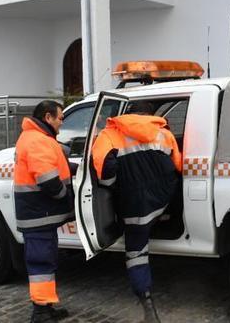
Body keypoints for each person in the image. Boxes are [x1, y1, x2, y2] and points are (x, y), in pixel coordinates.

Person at [91, 100, 182, 323]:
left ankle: (147, 302)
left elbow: (105, 170)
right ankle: (164, 216)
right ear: (150, 114)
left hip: (134, 206)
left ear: (128, 112)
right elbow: (177, 166)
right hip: (161, 201)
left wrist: (113, 187)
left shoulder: (109, 135)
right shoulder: (163, 134)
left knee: (136, 252)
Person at [13, 100, 74, 323]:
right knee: (41, 263)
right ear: (48, 117)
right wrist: (63, 196)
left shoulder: (35, 137)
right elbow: (48, 179)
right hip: (39, 214)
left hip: (38, 214)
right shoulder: (38, 140)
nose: (61, 123)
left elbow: (51, 165)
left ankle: (45, 307)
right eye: (60, 118)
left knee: (44, 261)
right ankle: (40, 313)